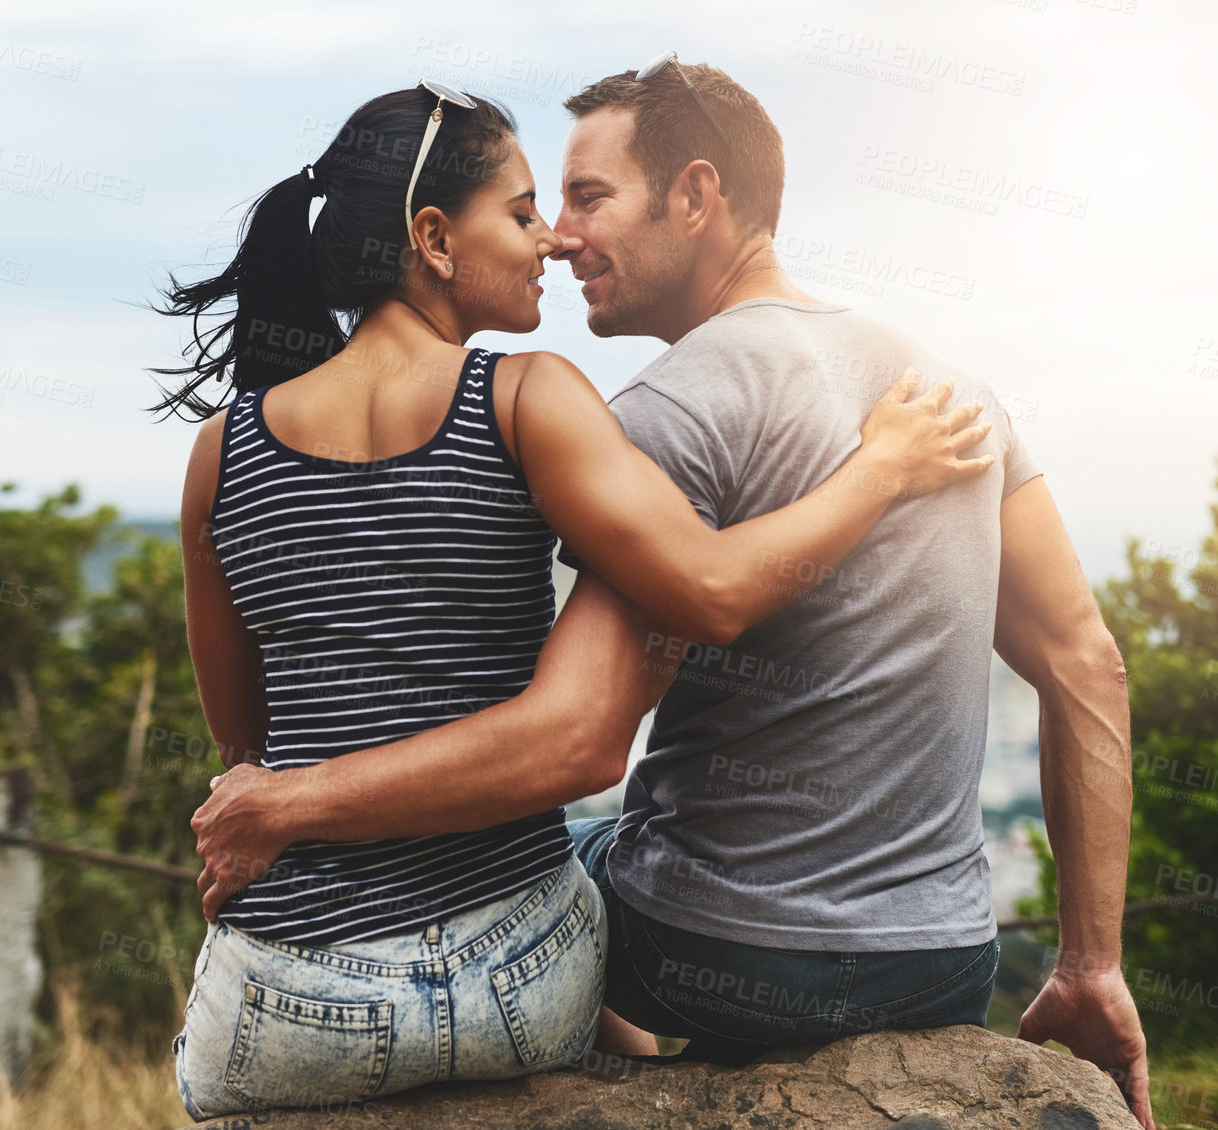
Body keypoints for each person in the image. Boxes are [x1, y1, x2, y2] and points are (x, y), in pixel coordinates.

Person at [191, 56, 1155, 1130]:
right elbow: (1085, 659)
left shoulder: (658, 418)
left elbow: (580, 734)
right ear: (428, 238)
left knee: (568, 860)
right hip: (935, 960)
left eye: (585, 196)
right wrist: (1089, 960)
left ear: (697, 197)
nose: (558, 233)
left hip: (711, 954)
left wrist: (288, 800)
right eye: (536, 207)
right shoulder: (948, 391)